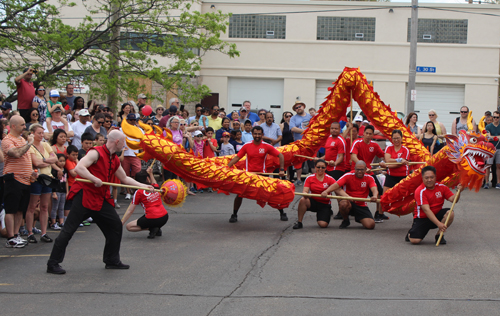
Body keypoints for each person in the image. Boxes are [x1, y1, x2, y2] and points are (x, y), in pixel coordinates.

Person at [46, 130, 154, 274]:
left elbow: (125, 179)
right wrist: (93, 178)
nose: (124, 146)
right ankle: (53, 263)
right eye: (123, 142)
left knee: (115, 225)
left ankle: (111, 260)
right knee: (69, 230)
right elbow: (79, 168)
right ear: (117, 142)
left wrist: (143, 186)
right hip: (85, 197)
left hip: (100, 198)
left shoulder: (114, 159)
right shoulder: (95, 152)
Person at [227, 126, 287, 223]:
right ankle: (234, 214)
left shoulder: (266, 146)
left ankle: (282, 212)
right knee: (240, 194)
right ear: (252, 134)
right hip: (248, 175)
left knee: (270, 194)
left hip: (262, 175)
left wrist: (281, 170)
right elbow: (237, 158)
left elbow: (281, 155)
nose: (257, 136)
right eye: (255, 133)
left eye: (259, 134)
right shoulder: (246, 146)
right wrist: (227, 168)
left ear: (262, 135)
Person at [25, 123, 63, 243]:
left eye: (42, 133)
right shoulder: (30, 147)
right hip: (36, 178)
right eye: (39, 133)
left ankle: (43, 232)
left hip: (47, 177)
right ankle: (30, 232)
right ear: (33, 134)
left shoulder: (46, 144)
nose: (42, 135)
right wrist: (46, 161)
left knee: (45, 206)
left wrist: (44, 160)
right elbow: (36, 163)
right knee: (32, 206)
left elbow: (55, 158)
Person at [406, 166, 462, 245]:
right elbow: (426, 210)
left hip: (436, 215)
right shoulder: (420, 190)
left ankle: (439, 235)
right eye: (427, 178)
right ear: (422, 178)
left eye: (432, 177)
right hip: (423, 218)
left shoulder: (442, 187)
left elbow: (454, 200)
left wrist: (458, 191)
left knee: (450, 213)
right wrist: (439, 224)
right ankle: (411, 232)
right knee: (414, 241)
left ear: (435, 177)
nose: (429, 180)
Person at [3, 116, 34, 248]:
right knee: (11, 209)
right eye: (22, 125)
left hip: (25, 180)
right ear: (13, 126)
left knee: (20, 210)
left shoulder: (21, 139)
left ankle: (16, 235)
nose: (24, 127)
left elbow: (26, 158)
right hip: (13, 178)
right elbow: (15, 153)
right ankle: (10, 237)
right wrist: (29, 144)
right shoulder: (7, 140)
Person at [321, 161, 377, 229]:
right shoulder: (348, 175)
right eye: (357, 169)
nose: (359, 171)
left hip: (361, 204)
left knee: (370, 225)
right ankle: (346, 219)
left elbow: (374, 189)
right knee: (343, 204)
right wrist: (326, 191)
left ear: (365, 170)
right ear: (354, 168)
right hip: (349, 201)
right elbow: (336, 185)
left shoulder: (369, 178)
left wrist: (375, 196)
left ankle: (359, 217)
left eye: (362, 169)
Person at [293, 159, 346, 229]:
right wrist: (305, 194)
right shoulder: (309, 178)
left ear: (326, 168)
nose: (320, 169)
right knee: (303, 200)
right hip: (313, 202)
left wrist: (349, 197)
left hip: (325, 204)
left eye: (323, 167)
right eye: (318, 167)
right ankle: (299, 222)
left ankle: (327, 212)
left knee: (323, 225)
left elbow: (339, 190)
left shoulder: (329, 178)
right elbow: (305, 191)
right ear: (315, 167)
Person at [350, 125, 386, 220]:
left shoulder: (374, 145)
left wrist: (389, 162)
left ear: (373, 135)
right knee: (351, 192)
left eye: (370, 134)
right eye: (367, 133)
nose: (368, 135)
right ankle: (346, 211)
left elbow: (384, 156)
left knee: (379, 192)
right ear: (363, 133)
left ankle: (378, 213)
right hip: (356, 172)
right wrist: (363, 167)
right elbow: (353, 156)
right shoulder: (357, 142)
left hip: (369, 173)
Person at [122, 168, 169, 239]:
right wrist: (150, 173)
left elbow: (130, 210)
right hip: (164, 217)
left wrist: (121, 222)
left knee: (129, 226)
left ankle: (151, 228)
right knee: (148, 216)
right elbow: (154, 182)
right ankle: (156, 227)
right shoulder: (154, 187)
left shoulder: (138, 192)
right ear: (148, 178)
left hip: (152, 218)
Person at [378, 130, 410, 222]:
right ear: (391, 139)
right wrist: (399, 160)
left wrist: (388, 165)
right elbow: (387, 159)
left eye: (398, 138)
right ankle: (380, 214)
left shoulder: (405, 150)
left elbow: (400, 164)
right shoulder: (389, 148)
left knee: (410, 196)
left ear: (401, 138)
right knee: (384, 196)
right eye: (394, 138)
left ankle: (416, 216)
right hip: (391, 175)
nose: (396, 140)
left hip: (403, 176)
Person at [290, 101, 312, 185]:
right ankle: (298, 179)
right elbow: (292, 129)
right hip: (298, 143)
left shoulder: (310, 117)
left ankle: (314, 178)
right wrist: (305, 131)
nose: (298, 108)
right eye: (296, 107)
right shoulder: (293, 118)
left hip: (310, 143)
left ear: (303, 106)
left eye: (299, 106)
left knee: (312, 161)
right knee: (299, 162)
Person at [121, 114, 142, 199]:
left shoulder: (139, 130)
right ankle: (128, 192)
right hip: (125, 154)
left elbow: (142, 141)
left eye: (134, 120)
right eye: (130, 120)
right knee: (125, 174)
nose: (132, 121)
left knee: (137, 173)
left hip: (135, 155)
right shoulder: (122, 129)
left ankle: (136, 190)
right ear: (127, 121)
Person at [50, 153, 67, 230]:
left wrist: (67, 191)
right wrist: (53, 193)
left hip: (63, 191)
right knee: (55, 207)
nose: (62, 162)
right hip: (56, 191)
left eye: (64, 161)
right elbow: (52, 182)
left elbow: (66, 182)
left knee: (61, 207)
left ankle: (61, 222)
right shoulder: (54, 171)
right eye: (60, 161)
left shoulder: (65, 170)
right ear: (56, 162)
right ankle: (53, 223)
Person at [485, 111, 500, 189]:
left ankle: (498, 182)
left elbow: (491, 137)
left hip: (499, 148)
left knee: (498, 165)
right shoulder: (488, 126)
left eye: (497, 117)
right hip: (490, 148)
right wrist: (498, 137)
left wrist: (493, 137)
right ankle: (486, 183)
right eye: (494, 117)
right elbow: (488, 138)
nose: (495, 119)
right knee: (488, 165)